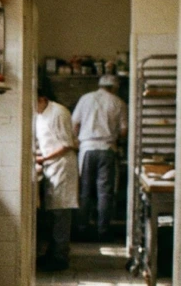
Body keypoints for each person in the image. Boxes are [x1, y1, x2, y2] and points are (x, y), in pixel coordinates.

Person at [72, 74, 126, 240]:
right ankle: (103, 230)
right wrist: (116, 138)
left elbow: (74, 123)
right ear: (114, 87)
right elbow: (124, 130)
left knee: (84, 191)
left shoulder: (85, 98)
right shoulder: (118, 102)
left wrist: (77, 140)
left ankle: (82, 228)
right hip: (107, 149)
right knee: (105, 192)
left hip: (87, 149)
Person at [34, 82, 78, 270]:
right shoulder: (41, 114)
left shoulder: (59, 112)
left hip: (62, 167)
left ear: (42, 99)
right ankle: (53, 253)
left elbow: (67, 144)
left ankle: (60, 257)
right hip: (51, 166)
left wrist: (43, 158)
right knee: (54, 213)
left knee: (61, 213)